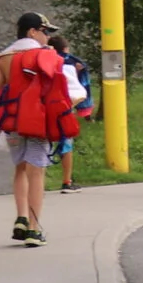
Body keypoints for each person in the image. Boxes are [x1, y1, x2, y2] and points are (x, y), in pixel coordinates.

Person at [0, 11, 72, 246]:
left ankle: (21, 217)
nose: (47, 38)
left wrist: (3, 118)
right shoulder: (46, 56)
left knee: (20, 169)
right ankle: (34, 229)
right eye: (45, 32)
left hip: (12, 124)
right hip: (38, 123)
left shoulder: (3, 58)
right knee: (37, 172)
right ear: (32, 32)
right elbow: (62, 90)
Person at [49, 33, 93, 192]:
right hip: (64, 107)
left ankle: (34, 182)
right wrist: (84, 109)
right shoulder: (70, 64)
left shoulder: (44, 61)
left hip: (43, 108)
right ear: (66, 48)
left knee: (40, 144)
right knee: (66, 143)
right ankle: (66, 181)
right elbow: (79, 91)